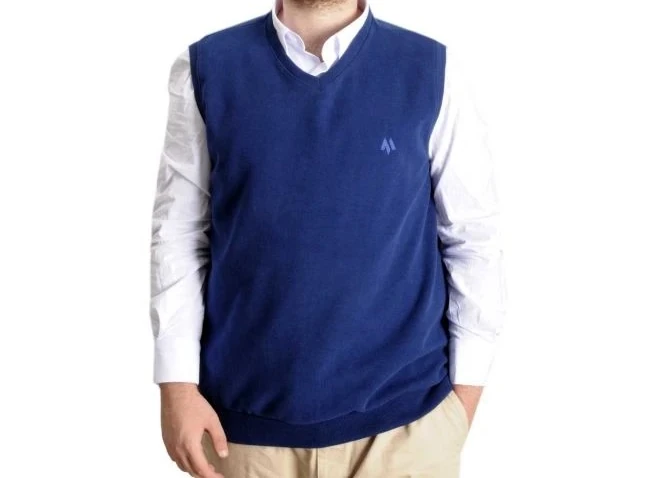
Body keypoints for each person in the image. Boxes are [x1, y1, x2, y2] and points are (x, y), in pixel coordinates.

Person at [149, 0, 507, 476]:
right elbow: (178, 233)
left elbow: (471, 237)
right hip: (244, 435)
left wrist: (459, 408)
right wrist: (176, 385)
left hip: (406, 431)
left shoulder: (431, 70)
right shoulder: (208, 67)